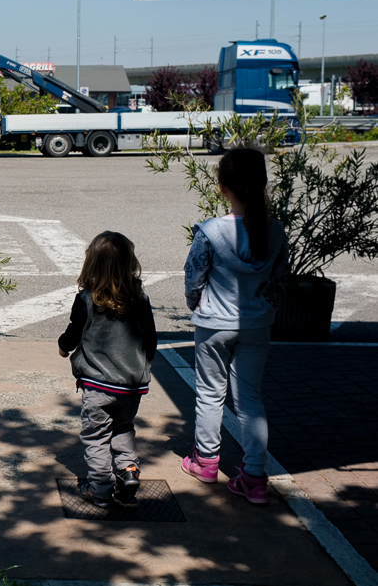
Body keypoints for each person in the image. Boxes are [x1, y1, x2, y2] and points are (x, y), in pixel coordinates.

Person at [181, 147, 288, 506]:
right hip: (257, 324)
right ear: (262, 184)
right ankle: (255, 477)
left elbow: (194, 276)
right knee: (250, 401)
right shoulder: (274, 231)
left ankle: (206, 463)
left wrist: (195, 302)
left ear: (222, 186)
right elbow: (280, 280)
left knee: (211, 394)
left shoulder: (210, 232)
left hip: (214, 323)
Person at [59, 231, 157, 508]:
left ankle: (100, 490)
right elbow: (150, 339)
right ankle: (128, 472)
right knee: (123, 427)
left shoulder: (87, 300)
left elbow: (73, 333)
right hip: (131, 385)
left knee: (96, 437)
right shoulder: (141, 298)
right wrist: (144, 361)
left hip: (99, 386)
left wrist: (64, 347)